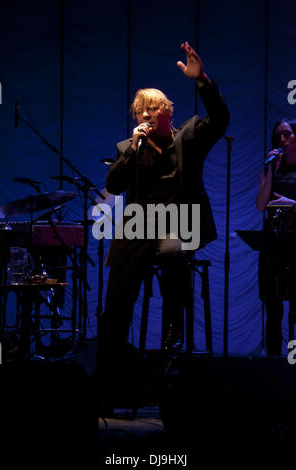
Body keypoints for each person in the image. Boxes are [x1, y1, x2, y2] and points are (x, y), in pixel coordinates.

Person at [98, 42, 229, 404]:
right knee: (119, 287)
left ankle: (173, 329)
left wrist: (201, 80)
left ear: (169, 111)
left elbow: (220, 118)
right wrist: (134, 151)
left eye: (156, 108)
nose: (150, 115)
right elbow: (113, 186)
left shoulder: (189, 136)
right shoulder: (130, 147)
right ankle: (111, 364)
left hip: (179, 221)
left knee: (173, 248)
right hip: (139, 225)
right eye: (144, 112)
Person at [256, 119, 296, 356]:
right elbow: (261, 205)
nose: (281, 140)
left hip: (295, 244)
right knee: (273, 308)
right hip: (274, 244)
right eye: (277, 136)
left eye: (287, 134)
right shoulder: (270, 167)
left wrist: (289, 204)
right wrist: (271, 169)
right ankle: (273, 361)